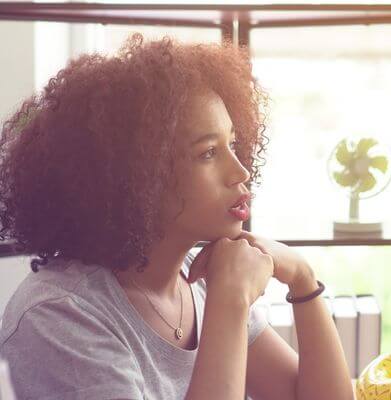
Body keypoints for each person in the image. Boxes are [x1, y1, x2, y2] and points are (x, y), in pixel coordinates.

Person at [0, 33, 353, 400]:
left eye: (232, 144)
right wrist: (230, 301)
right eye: (208, 153)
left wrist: (303, 278)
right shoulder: (60, 316)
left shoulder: (197, 279)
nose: (240, 171)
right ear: (137, 175)